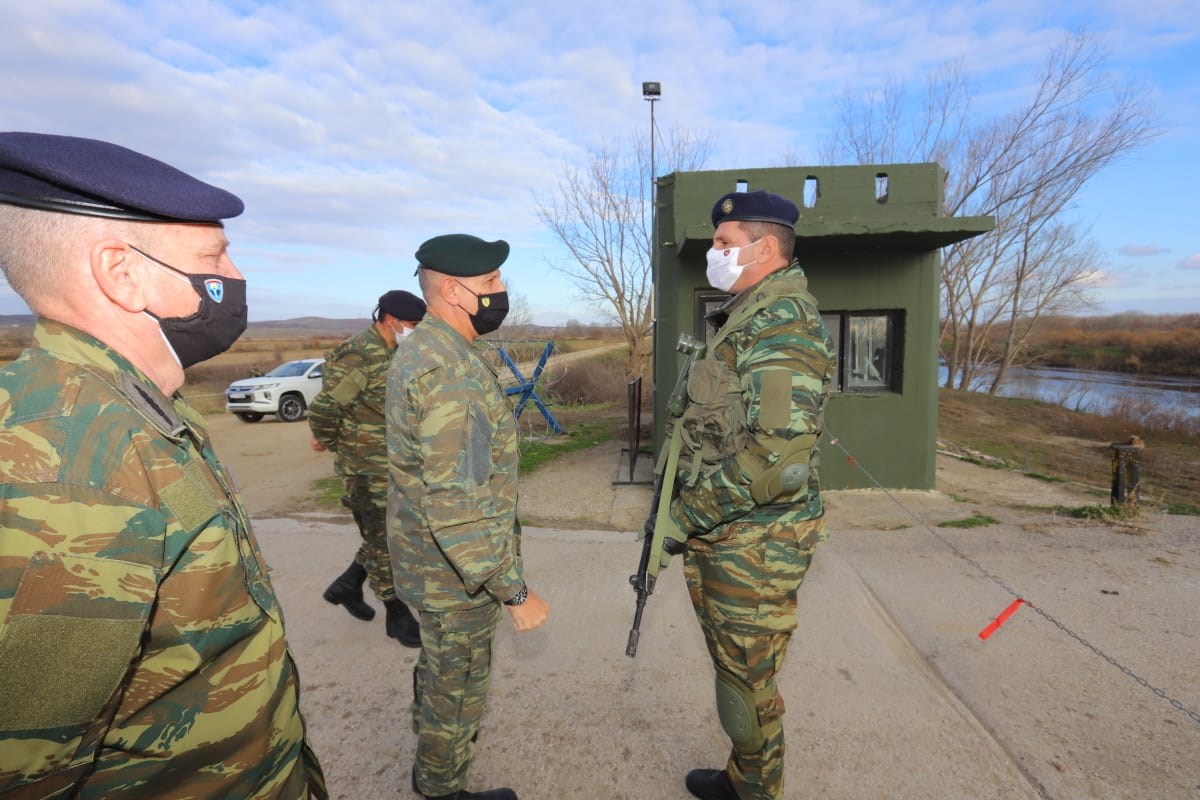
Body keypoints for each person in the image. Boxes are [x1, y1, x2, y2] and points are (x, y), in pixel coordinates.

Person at [0, 132, 326, 799]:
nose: (234, 275)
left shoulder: (126, 405)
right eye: (214, 256)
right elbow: (26, 765)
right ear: (121, 273)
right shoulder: (68, 462)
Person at [669, 190, 836, 800]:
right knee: (736, 670)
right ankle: (745, 777)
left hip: (757, 541)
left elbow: (778, 460)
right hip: (730, 531)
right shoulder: (748, 314)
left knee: (747, 684)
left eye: (724, 242)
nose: (713, 252)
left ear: (764, 249)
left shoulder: (783, 323)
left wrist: (686, 515)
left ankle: (758, 791)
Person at [386, 233, 549, 800]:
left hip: (431, 563)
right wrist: (513, 591)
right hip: (455, 575)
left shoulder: (433, 349)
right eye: (490, 282)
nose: (501, 290)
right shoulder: (448, 371)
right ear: (454, 291)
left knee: (440, 669)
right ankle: (440, 786)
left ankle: (430, 752)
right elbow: (456, 504)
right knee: (458, 685)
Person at [309, 289, 426, 647]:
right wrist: (333, 441)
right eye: (412, 324)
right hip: (365, 468)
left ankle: (348, 585)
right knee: (383, 541)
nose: (416, 330)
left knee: (391, 533)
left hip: (394, 463)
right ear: (391, 320)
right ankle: (396, 613)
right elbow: (325, 409)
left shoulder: (396, 351)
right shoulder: (360, 356)